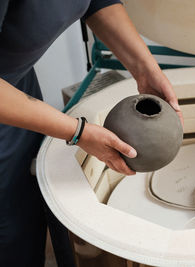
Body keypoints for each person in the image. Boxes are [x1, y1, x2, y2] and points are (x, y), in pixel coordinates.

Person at [0, 1, 183, 266]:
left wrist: (145, 69)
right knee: (9, 229)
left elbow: (96, 2)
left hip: (18, 90)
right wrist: (79, 132)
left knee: (28, 211)